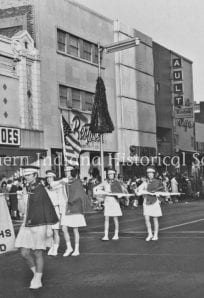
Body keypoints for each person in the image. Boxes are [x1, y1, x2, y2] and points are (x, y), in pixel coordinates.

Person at [15, 166, 59, 289]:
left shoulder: (41, 189)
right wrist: (22, 197)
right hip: (27, 224)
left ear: (35, 175)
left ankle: (38, 278)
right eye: (25, 175)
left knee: (38, 252)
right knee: (24, 252)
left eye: (29, 174)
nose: (26, 177)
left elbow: (48, 208)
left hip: (40, 224)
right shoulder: (25, 189)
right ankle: (36, 274)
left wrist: (50, 227)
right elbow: (22, 210)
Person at [61, 167, 91, 257]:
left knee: (75, 229)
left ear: (72, 172)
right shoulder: (64, 181)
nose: (66, 173)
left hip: (75, 207)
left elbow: (78, 194)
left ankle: (76, 249)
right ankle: (69, 247)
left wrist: (71, 200)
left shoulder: (77, 182)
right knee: (64, 228)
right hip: (66, 207)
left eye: (68, 171)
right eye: (65, 171)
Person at [135, 166, 165, 241]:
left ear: (154, 173)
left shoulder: (158, 181)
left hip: (155, 202)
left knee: (155, 219)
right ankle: (149, 234)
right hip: (146, 202)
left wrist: (159, 199)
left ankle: (155, 235)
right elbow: (138, 190)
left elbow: (163, 191)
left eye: (151, 173)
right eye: (148, 173)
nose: (149, 174)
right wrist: (137, 191)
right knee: (146, 219)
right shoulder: (145, 182)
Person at [93, 169, 123, 241]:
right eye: (109, 174)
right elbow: (96, 188)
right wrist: (97, 193)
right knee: (106, 218)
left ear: (114, 175)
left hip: (114, 201)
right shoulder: (105, 183)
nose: (110, 175)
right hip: (107, 201)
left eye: (112, 174)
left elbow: (121, 193)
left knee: (115, 218)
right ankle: (106, 235)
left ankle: (116, 234)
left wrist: (119, 196)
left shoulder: (117, 183)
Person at [45, 170, 66, 256]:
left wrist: (61, 212)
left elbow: (61, 199)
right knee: (48, 232)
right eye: (47, 177)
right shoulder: (45, 188)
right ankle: (52, 246)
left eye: (50, 177)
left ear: (53, 177)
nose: (48, 179)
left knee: (56, 231)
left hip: (56, 209)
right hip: (47, 211)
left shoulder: (59, 187)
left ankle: (55, 248)